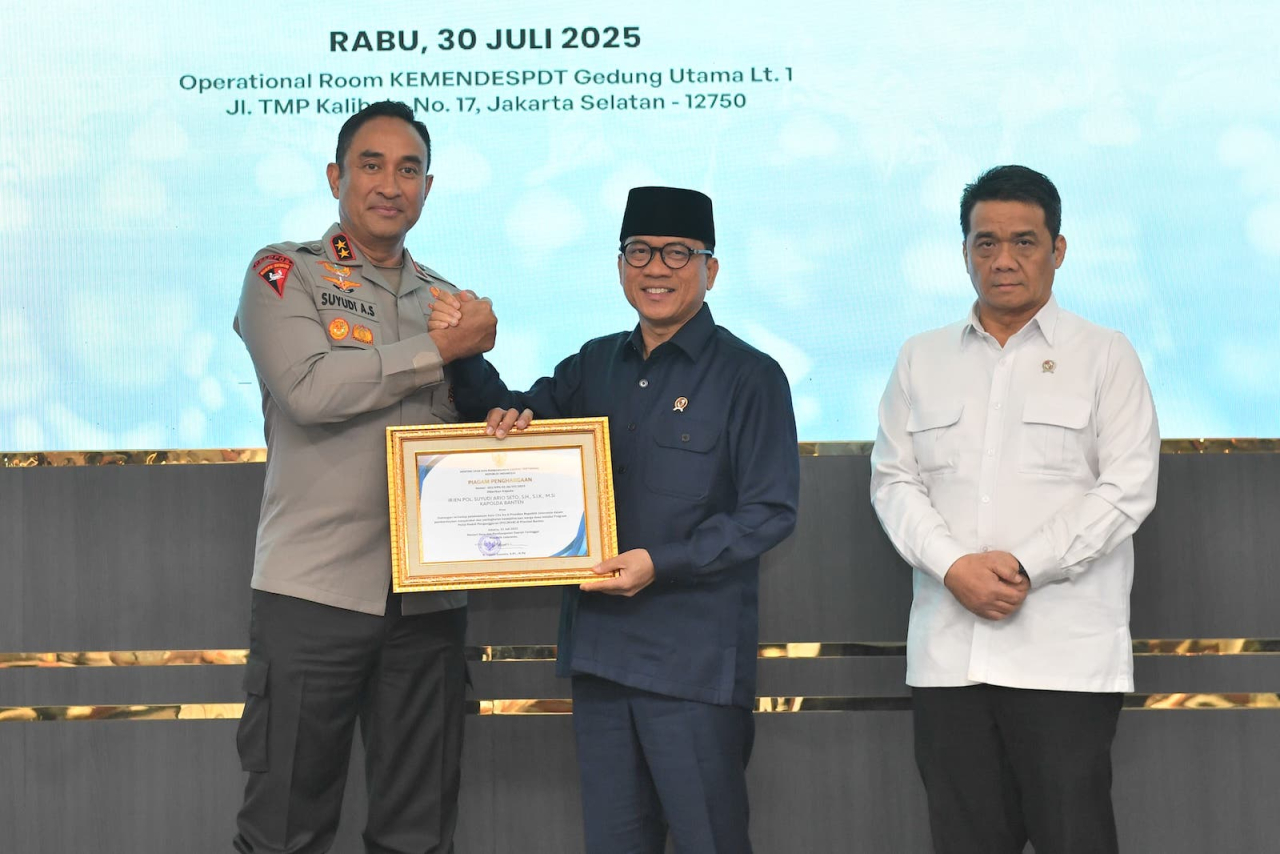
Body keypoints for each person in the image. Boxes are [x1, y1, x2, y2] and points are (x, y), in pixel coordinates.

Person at [432, 186, 800, 853]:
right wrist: (464, 352)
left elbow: (769, 512)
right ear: (620, 264)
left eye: (677, 253)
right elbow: (514, 421)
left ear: (711, 269)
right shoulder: (593, 364)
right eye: (639, 251)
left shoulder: (751, 376)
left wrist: (663, 563)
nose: (656, 268)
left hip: (693, 669)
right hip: (601, 659)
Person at [231, 100, 498, 854]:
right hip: (314, 594)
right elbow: (310, 390)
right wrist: (440, 351)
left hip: (427, 601)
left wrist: (504, 423)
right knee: (285, 828)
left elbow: (470, 426)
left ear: (427, 187)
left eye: (409, 169)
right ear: (335, 177)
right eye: (371, 165)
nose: (390, 184)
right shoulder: (285, 272)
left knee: (419, 831)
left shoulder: (449, 302)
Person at [869, 165, 1160, 854]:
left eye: (1024, 241)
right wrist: (953, 567)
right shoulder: (920, 357)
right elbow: (893, 482)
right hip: (949, 658)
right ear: (964, 251)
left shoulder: (1106, 355)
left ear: (1057, 249)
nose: (1003, 259)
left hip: (1064, 659)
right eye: (986, 242)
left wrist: (1024, 565)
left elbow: (1127, 487)